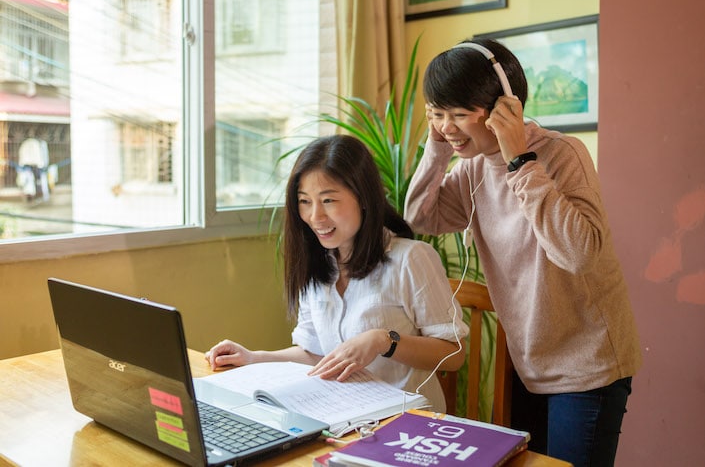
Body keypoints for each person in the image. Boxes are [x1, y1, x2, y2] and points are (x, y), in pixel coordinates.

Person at [404, 38, 642, 467]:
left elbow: (579, 254)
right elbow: (421, 217)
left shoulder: (562, 154)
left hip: (587, 365)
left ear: (505, 108)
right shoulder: (472, 166)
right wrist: (437, 149)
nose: (447, 127)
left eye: (459, 114)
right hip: (528, 364)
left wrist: (519, 161)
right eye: (438, 114)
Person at [206, 134, 469, 413]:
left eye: (328, 200)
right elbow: (314, 353)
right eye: (304, 201)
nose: (315, 216)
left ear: (363, 198)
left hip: (406, 422)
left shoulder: (411, 259)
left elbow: (453, 354)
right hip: (344, 417)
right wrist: (253, 358)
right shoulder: (318, 262)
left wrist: (383, 341)